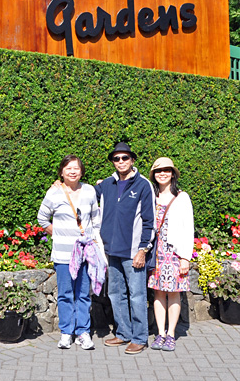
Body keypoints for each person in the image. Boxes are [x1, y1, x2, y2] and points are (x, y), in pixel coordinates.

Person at [94, 142, 155, 354]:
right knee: (115, 294)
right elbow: (82, 194)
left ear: (132, 160)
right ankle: (123, 333)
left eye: (125, 158)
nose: (121, 162)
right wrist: (61, 185)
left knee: (137, 295)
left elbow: (149, 221)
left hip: (133, 253)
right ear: (113, 161)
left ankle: (139, 337)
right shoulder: (106, 185)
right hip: (112, 251)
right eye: (117, 159)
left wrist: (142, 250)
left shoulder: (143, 185)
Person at [37, 154, 101, 351]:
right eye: (68, 168)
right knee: (65, 294)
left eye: (76, 168)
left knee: (83, 293)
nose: (73, 171)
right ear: (62, 172)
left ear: (81, 171)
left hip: (85, 254)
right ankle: (66, 333)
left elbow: (96, 219)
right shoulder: (54, 193)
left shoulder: (90, 191)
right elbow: (42, 219)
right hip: (63, 254)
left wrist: (95, 242)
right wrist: (58, 233)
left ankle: (83, 332)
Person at [147, 157, 194, 352]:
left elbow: (188, 227)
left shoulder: (182, 197)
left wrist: (185, 257)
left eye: (167, 170)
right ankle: (160, 333)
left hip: (174, 252)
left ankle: (171, 334)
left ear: (173, 173)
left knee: (174, 293)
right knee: (158, 292)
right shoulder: (150, 196)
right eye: (158, 171)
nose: (163, 173)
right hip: (155, 252)